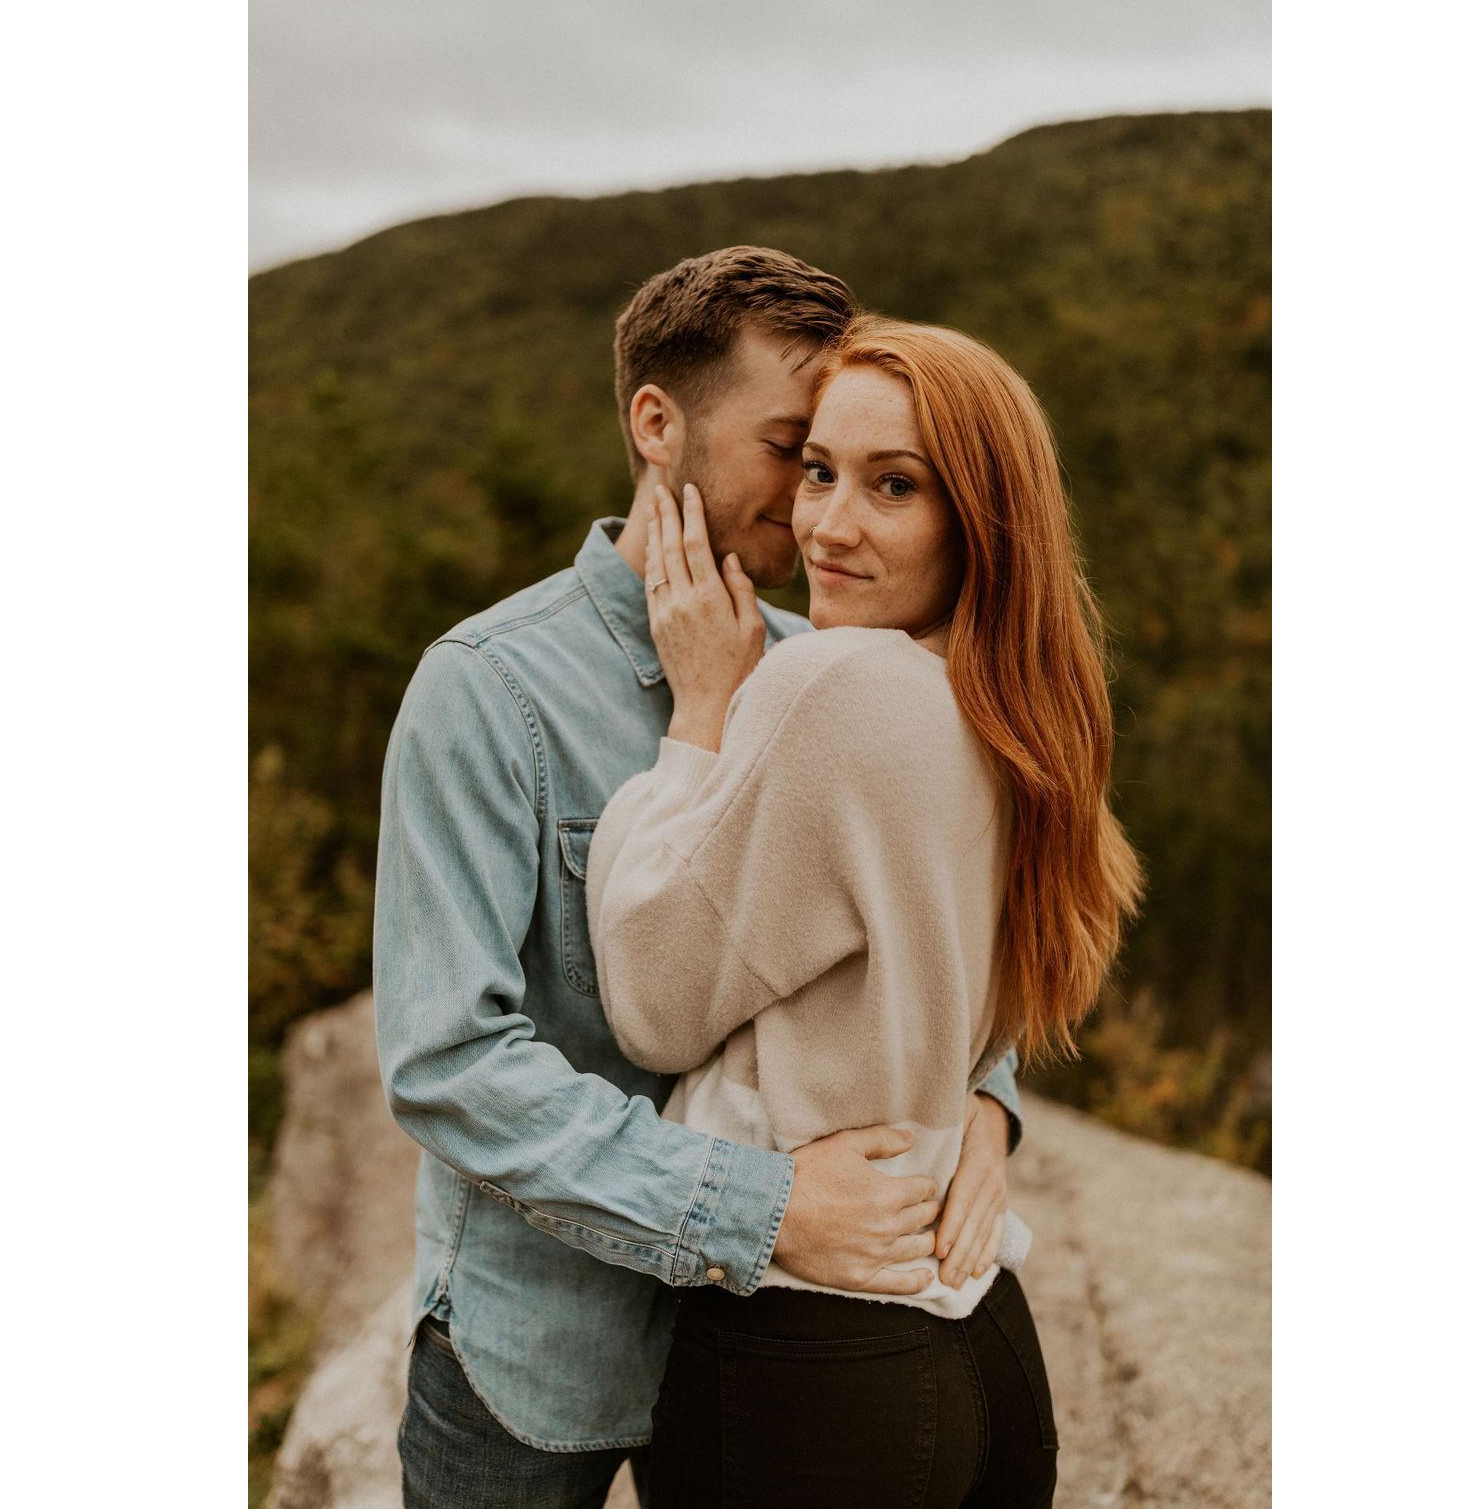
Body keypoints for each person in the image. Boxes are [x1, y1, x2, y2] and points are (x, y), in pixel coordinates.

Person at [373, 250, 1029, 1509]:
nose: (820, 505)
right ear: (657, 424)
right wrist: (761, 1204)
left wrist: (989, 1105)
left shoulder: (827, 655)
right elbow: (444, 1060)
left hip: (770, 1351)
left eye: (847, 460)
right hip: (543, 1352)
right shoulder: (487, 688)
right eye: (795, 449)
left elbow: (932, 915)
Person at [586, 316, 1146, 1507]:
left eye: (894, 486)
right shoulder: (1020, 712)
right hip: (980, 1341)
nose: (826, 525)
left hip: (808, 1366)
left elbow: (653, 997)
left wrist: (700, 712)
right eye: (819, 470)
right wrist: (988, 1118)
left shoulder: (830, 682)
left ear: (978, 519)